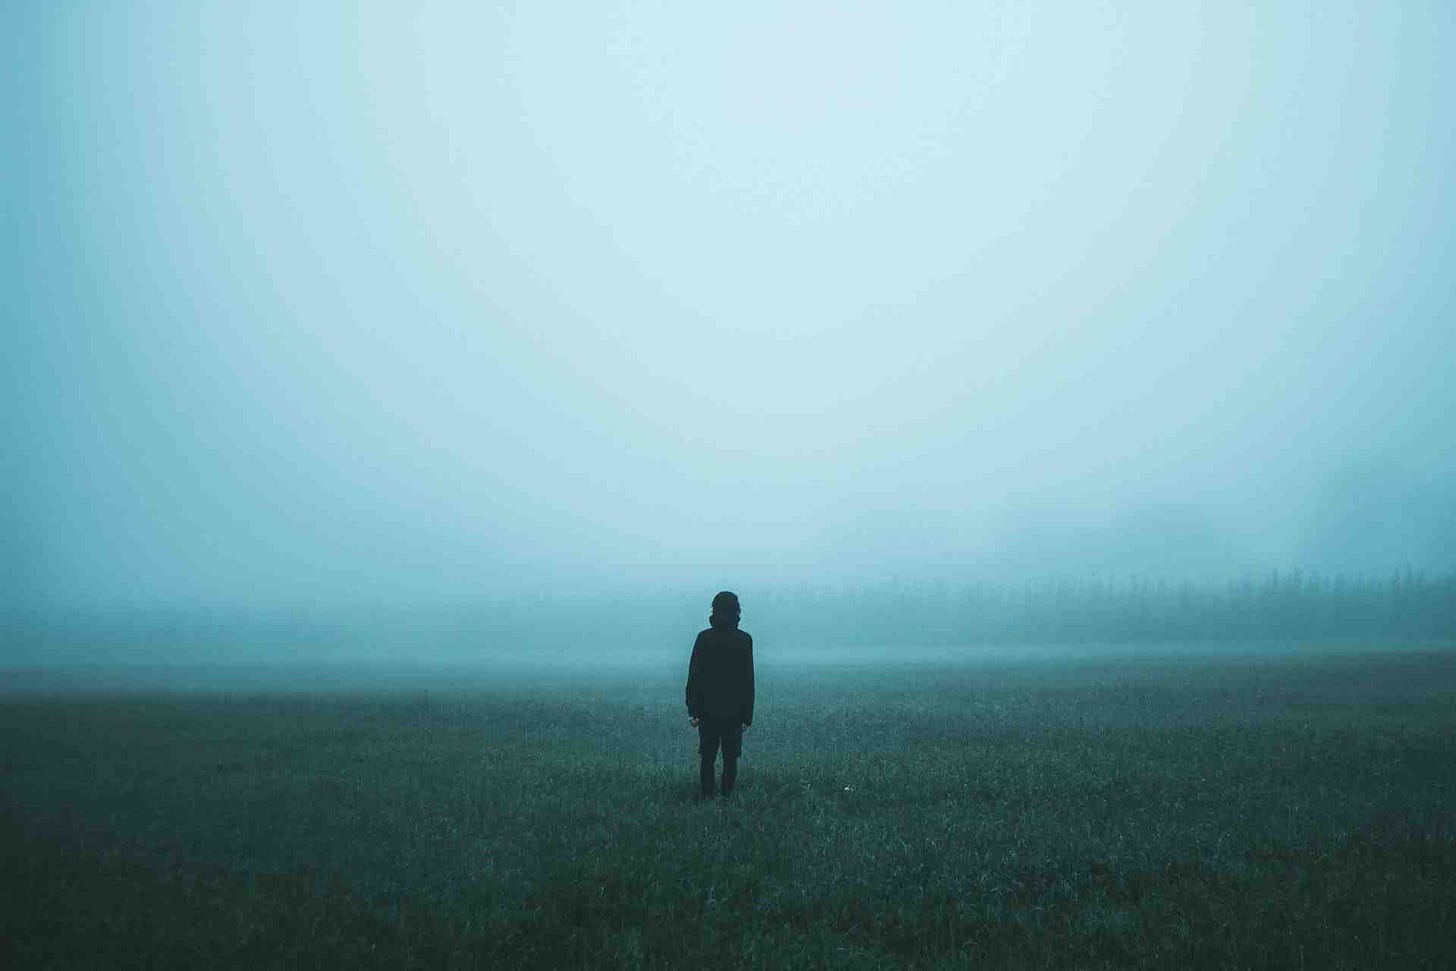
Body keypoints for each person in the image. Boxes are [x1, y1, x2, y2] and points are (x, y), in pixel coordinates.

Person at [685, 591, 755, 799]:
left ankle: (707, 796)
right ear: (736, 612)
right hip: (735, 711)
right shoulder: (744, 640)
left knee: (707, 757)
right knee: (730, 758)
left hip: (707, 710)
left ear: (714, 610)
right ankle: (727, 797)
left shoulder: (704, 638)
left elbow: (694, 676)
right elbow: (748, 681)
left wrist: (693, 709)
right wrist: (747, 715)